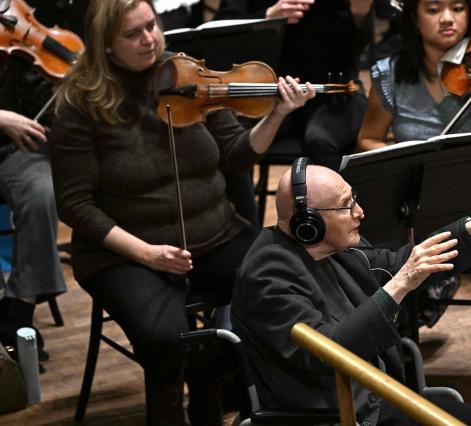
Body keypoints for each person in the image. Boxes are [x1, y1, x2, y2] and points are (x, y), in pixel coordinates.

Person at [49, 1, 314, 425]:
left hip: (213, 235)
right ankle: (170, 401)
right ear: (106, 46)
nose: (149, 39)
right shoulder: (80, 105)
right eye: (132, 34)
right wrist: (146, 254)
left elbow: (237, 155)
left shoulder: (186, 76)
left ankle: (216, 382)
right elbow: (75, 205)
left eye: (151, 26)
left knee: (281, 279)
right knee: (165, 338)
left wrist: (278, 113)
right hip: (124, 253)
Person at [232, 160, 471, 425]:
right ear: (307, 223)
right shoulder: (267, 278)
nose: (360, 212)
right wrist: (401, 283)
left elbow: (396, 264)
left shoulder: (330, 245)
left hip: (377, 394)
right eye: (346, 205)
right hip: (343, 414)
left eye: (354, 198)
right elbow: (330, 352)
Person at [356, 0, 471, 418]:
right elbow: (367, 139)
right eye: (433, 8)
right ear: (413, 17)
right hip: (424, 206)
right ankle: (400, 385)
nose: (447, 19)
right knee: (395, 276)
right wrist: (407, 156)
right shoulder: (389, 74)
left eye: (458, 7)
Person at [0, 0, 82, 361]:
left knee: (42, 192)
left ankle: (18, 308)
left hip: (29, 144)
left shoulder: (48, 12)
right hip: (7, 134)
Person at [214, 0, 374, 171]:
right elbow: (219, 31)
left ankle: (339, 196)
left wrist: (359, 13)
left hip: (333, 90)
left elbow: (352, 51)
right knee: (229, 142)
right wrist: (268, 17)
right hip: (269, 88)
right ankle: (238, 199)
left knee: (320, 141)